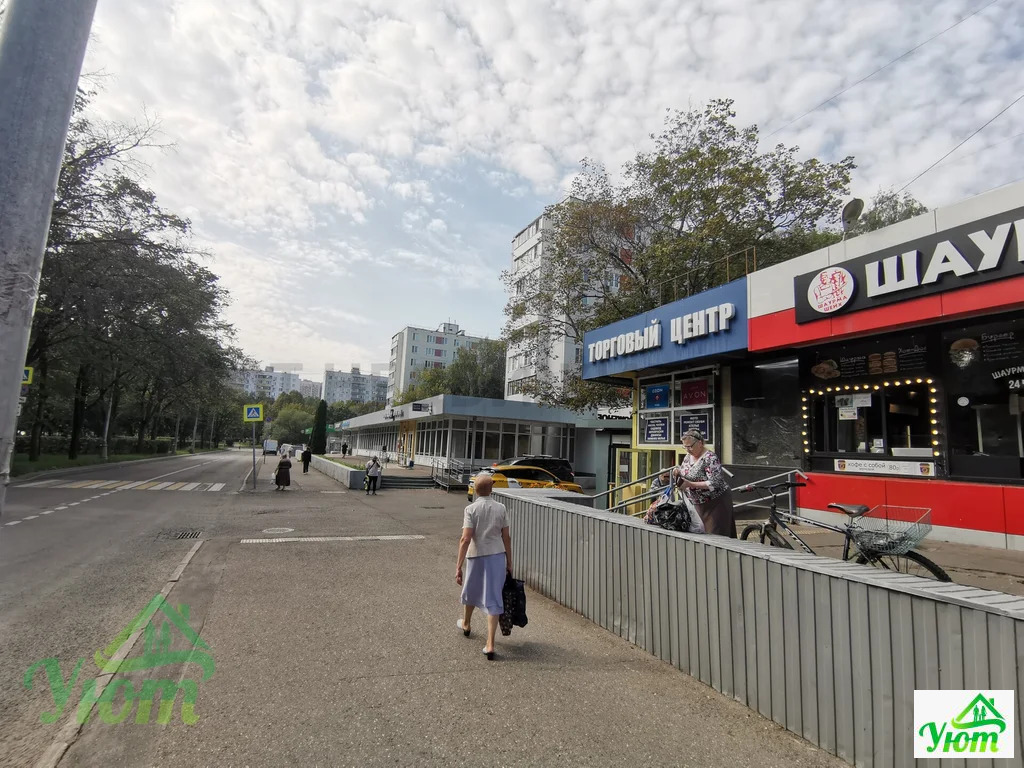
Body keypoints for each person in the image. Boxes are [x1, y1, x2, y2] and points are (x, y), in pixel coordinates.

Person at [455, 473, 513, 660]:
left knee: (471, 590)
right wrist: (509, 562)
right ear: (491, 489)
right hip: (497, 556)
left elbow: (465, 538)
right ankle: (490, 644)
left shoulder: (471, 509)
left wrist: (458, 566)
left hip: (476, 555)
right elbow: (506, 537)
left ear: (476, 490)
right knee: (494, 597)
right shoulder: (501, 508)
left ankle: (466, 623)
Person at [673, 429, 735, 537]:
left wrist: (690, 484)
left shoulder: (710, 458)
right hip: (698, 503)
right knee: (700, 533)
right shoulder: (688, 457)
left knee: (714, 534)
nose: (688, 450)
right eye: (685, 447)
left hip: (715, 502)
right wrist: (678, 472)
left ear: (700, 443)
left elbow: (715, 482)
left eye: (690, 446)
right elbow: (686, 471)